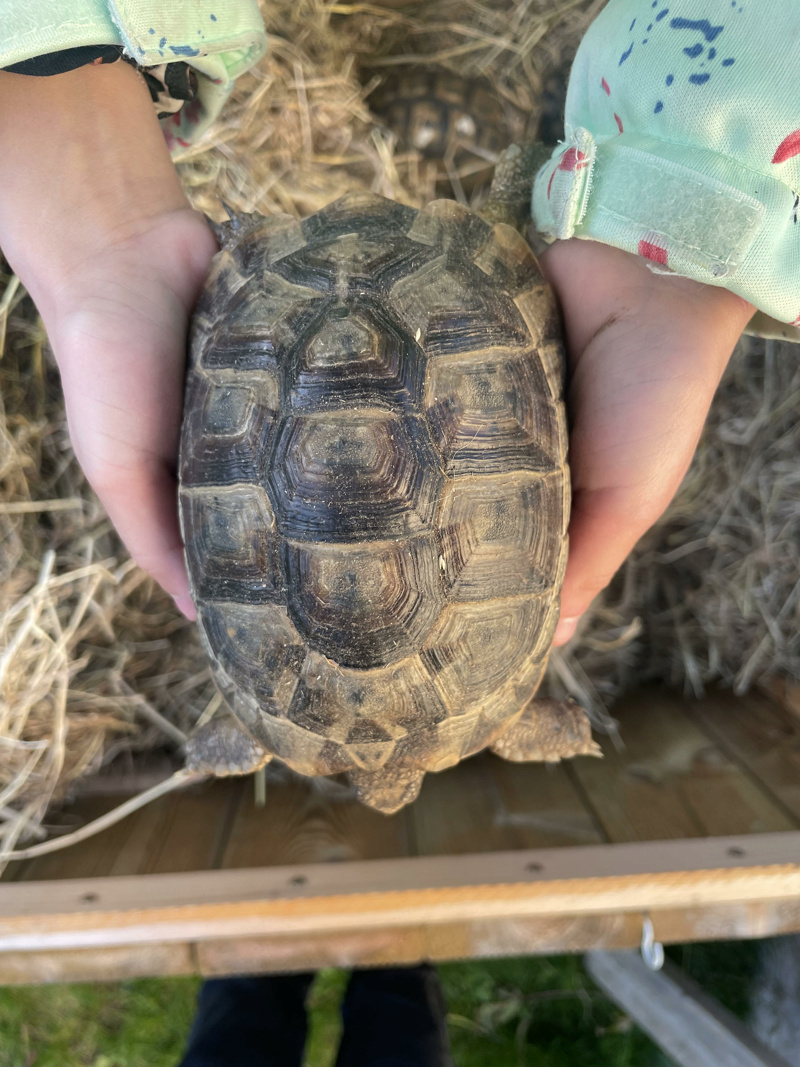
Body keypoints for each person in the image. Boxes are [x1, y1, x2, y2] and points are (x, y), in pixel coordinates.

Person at [0, 2, 798, 1063]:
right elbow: (219, 719)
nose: (384, 786)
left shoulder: (493, 703)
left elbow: (545, 696)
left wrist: (673, 259)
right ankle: (302, 981)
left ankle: (356, 971)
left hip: (468, 317)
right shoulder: (270, 719)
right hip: (275, 301)